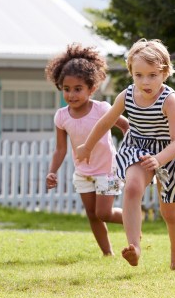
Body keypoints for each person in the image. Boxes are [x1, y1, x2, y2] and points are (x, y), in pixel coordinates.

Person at [76, 39, 175, 270]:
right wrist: (87, 146)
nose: (145, 82)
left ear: (165, 73)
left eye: (152, 75)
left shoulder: (169, 99)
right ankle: (134, 247)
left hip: (168, 152)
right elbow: (106, 121)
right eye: (139, 75)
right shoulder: (127, 95)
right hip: (138, 147)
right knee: (133, 187)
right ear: (131, 74)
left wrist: (159, 159)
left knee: (170, 212)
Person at [44, 43, 130, 256]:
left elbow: (125, 126)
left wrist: (131, 150)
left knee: (104, 213)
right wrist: (52, 171)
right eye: (66, 89)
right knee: (92, 215)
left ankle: (133, 219)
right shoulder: (62, 116)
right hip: (83, 172)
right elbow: (60, 149)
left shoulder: (102, 109)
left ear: (91, 89)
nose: (71, 95)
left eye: (78, 89)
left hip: (107, 170)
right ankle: (107, 254)